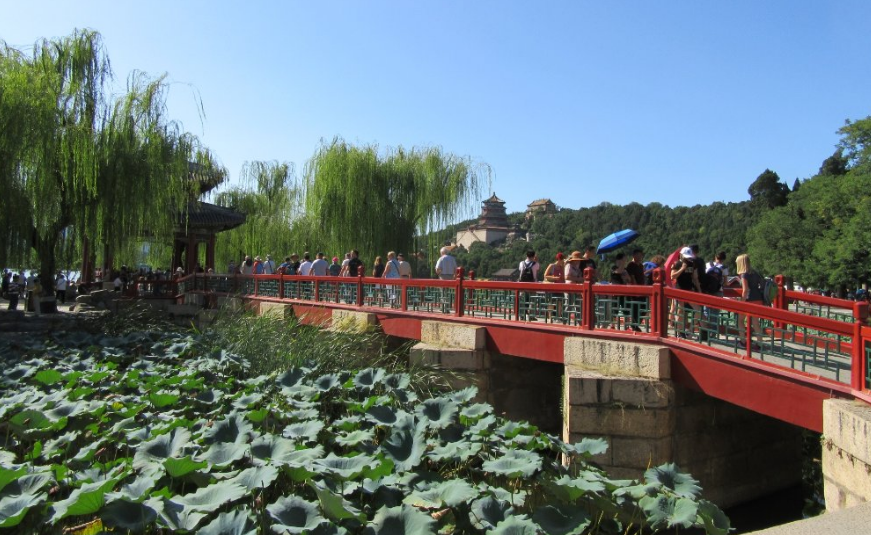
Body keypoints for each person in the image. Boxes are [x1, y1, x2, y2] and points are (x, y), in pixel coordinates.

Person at [670, 246, 701, 338]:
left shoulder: (693, 264)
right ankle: (680, 332)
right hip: (679, 289)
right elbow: (673, 276)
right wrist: (682, 268)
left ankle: (690, 329)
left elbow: (695, 278)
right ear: (681, 255)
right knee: (680, 310)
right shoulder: (677, 264)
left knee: (698, 310)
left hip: (689, 289)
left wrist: (699, 290)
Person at [736, 253, 765, 350]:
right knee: (755, 322)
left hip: (748, 300)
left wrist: (742, 302)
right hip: (758, 299)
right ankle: (759, 343)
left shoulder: (744, 275)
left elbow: (745, 290)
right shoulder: (755, 273)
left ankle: (743, 341)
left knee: (740, 320)